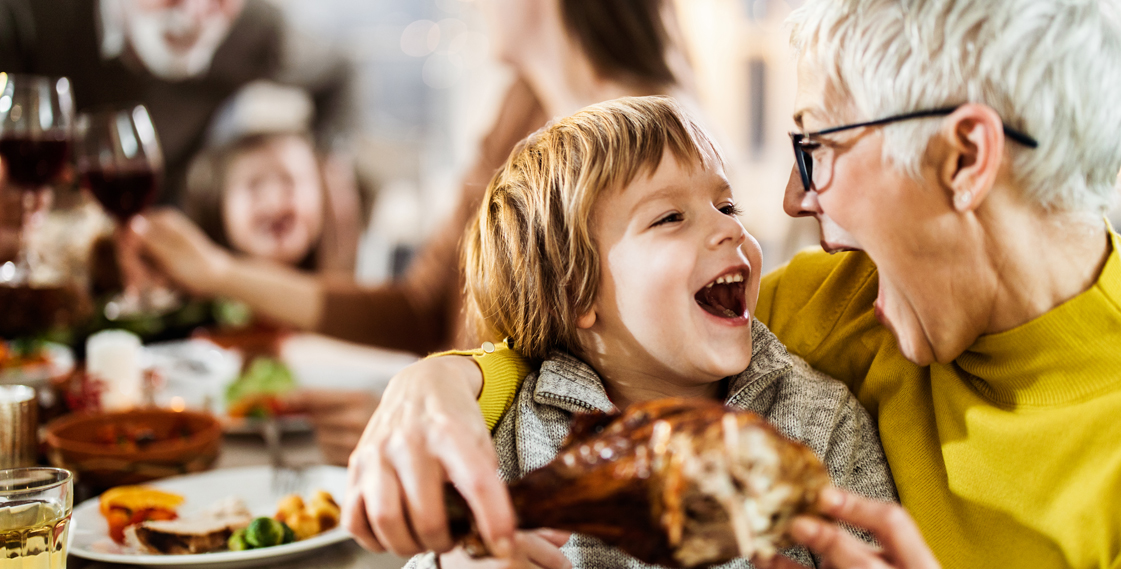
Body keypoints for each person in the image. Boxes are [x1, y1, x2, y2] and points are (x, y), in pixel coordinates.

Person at [343, 0, 1121, 569]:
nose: (789, 202)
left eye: (818, 148)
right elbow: (565, 350)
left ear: (965, 156)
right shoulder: (826, 306)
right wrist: (435, 389)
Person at [395, 95, 896, 569]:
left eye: (726, 207)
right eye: (671, 217)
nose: (730, 229)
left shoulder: (817, 421)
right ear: (576, 295)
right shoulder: (513, 436)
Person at [132, 0, 696, 464]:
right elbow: (423, 306)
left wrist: (433, 436)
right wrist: (219, 273)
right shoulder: (521, 104)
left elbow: (615, 401)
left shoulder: (653, 146)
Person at [0, 0, 355, 205]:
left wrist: (326, 169)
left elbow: (340, 73)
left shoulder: (254, 30)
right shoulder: (25, 14)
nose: (196, 12)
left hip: (159, 240)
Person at [184, 132, 358, 274]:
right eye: (254, 186)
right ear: (219, 206)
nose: (273, 201)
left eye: (289, 181)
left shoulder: (342, 298)